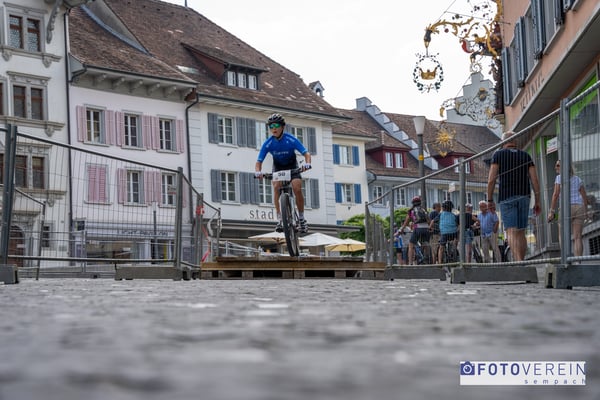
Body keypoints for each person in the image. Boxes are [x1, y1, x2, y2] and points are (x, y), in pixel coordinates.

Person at [487, 131, 541, 261]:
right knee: (521, 231)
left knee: (511, 231)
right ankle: (521, 261)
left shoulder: (498, 155)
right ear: (515, 141)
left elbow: (491, 179)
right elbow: (535, 180)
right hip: (524, 196)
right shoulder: (525, 156)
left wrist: (489, 199)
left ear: (503, 142)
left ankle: (519, 262)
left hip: (507, 196)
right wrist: (537, 201)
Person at [255, 113, 311, 233]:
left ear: (283, 126)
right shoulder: (268, 143)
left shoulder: (290, 139)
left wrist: (307, 164)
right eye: (271, 126)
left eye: (276, 125)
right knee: (276, 187)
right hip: (278, 167)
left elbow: (306, 153)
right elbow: (259, 161)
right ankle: (280, 218)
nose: (273, 129)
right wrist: (258, 172)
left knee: (297, 187)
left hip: (292, 166)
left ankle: (301, 219)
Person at [547, 161, 589, 256]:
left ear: (564, 167)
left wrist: (551, 211)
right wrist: (586, 211)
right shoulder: (577, 179)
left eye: (558, 165)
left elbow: (555, 194)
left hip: (565, 208)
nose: (555, 167)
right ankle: (578, 261)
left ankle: (566, 259)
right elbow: (584, 196)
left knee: (563, 235)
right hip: (579, 207)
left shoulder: (559, 178)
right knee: (578, 237)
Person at [399, 196, 430, 265]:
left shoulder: (411, 211)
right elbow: (428, 220)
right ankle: (427, 259)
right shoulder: (423, 210)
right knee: (426, 243)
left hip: (418, 228)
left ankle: (410, 263)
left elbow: (406, 222)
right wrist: (430, 227)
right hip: (426, 228)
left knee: (411, 245)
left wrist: (401, 229)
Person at [430, 200, 459, 264]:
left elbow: (432, 221)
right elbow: (457, 224)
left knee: (441, 247)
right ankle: (454, 249)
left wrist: (430, 228)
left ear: (443, 208)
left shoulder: (441, 214)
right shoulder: (454, 215)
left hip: (444, 233)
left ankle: (440, 263)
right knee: (455, 240)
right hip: (453, 233)